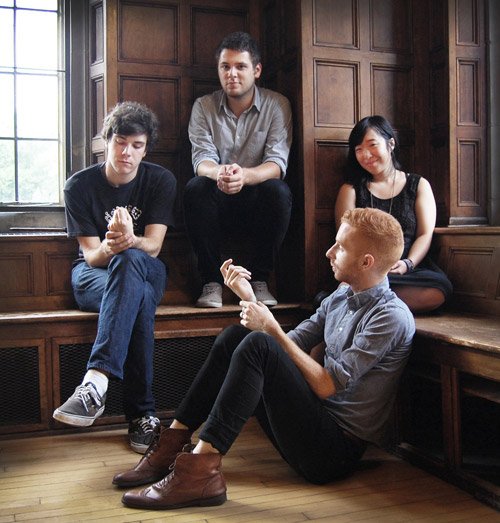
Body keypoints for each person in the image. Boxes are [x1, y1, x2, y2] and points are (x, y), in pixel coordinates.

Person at [113, 207, 415, 511]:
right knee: (236, 337)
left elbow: (326, 385)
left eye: (341, 247)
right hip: (308, 425)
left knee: (259, 343)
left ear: (366, 262)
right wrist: (250, 298)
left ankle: (199, 471)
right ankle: (172, 444)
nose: (329, 252)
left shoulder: (390, 317)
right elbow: (287, 345)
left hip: (332, 453)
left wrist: (269, 327)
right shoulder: (340, 296)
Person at [53, 101, 177, 454]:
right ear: (106, 141)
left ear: (145, 149)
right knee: (135, 295)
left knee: (132, 262)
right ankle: (142, 416)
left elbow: (153, 247)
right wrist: (112, 245)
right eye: (120, 142)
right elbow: (91, 254)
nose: (127, 152)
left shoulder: (160, 180)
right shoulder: (78, 186)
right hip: (93, 273)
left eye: (137, 145)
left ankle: (95, 383)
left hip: (146, 268)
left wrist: (129, 241)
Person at [184, 31, 293, 308]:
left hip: (257, 200)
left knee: (279, 191)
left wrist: (245, 176)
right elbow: (201, 160)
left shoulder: (277, 105)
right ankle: (211, 282)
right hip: (216, 198)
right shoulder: (203, 106)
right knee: (196, 188)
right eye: (225, 66)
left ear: (256, 70)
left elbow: (276, 164)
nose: (232, 74)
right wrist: (220, 173)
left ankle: (259, 280)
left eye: (240, 66)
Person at [335, 115, 452, 313]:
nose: (366, 155)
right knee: (347, 287)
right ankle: (374, 303)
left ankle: (365, 304)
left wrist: (408, 263)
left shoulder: (418, 185)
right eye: (358, 149)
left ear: (391, 144)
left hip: (407, 269)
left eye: (372, 145)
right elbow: (345, 240)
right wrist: (367, 270)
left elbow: (425, 234)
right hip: (366, 270)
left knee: (438, 291)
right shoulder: (351, 190)